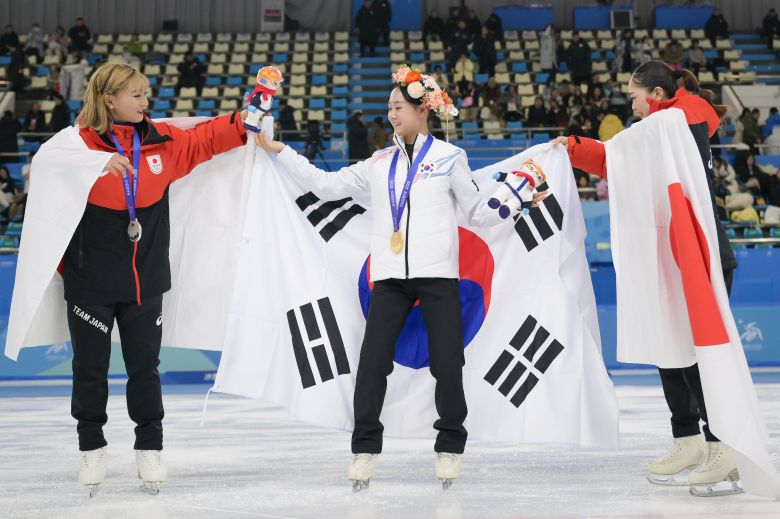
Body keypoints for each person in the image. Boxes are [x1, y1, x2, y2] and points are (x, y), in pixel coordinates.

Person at [254, 64, 547, 490]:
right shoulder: (378, 163)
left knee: (448, 363)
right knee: (372, 365)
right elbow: (326, 185)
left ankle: (449, 447)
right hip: (389, 278)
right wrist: (283, 152)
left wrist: (516, 196)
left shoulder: (450, 159)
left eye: (397, 107)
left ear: (421, 109)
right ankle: (364, 450)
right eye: (388, 107)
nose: (391, 115)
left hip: (438, 277)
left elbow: (479, 213)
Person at [48, 63, 248, 495]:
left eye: (145, 94)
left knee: (145, 369)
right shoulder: (75, 145)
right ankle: (91, 445)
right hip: (90, 282)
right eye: (136, 95)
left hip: (145, 281)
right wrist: (95, 167)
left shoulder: (161, 142)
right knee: (89, 369)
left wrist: (246, 118)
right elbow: (47, 170)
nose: (145, 102)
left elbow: (208, 138)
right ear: (109, 100)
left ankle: (149, 447)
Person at [552, 60, 739, 491]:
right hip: (667, 259)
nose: (630, 104)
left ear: (656, 95)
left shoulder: (683, 117)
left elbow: (692, 114)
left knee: (698, 356)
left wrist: (662, 111)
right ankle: (688, 438)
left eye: (635, 96)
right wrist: (572, 147)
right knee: (667, 348)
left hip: (700, 256)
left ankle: (721, 443)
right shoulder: (650, 135)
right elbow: (614, 160)